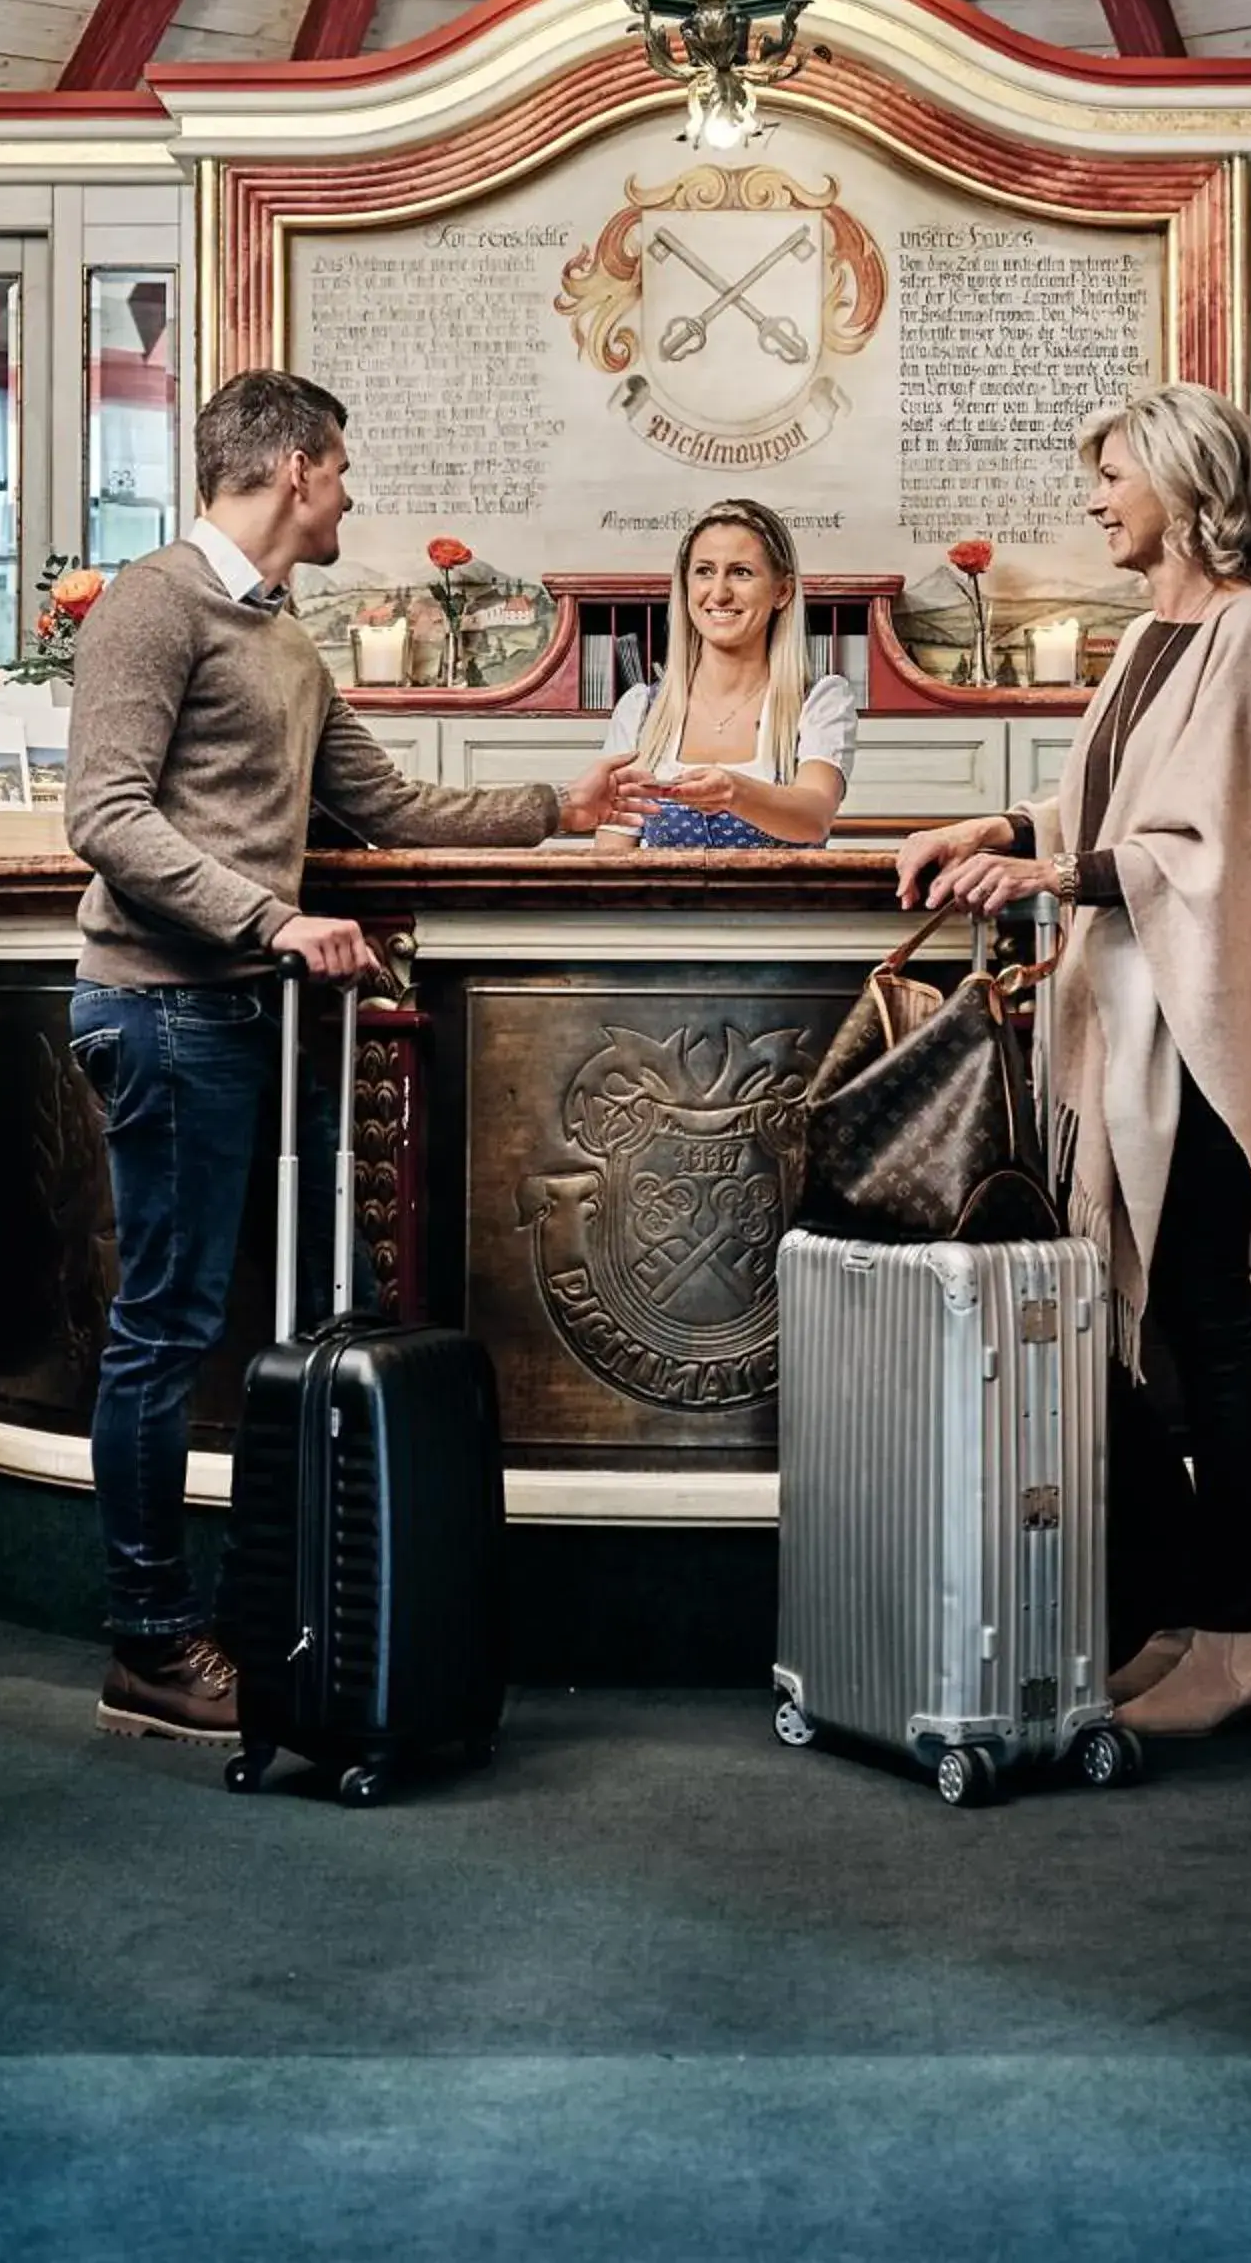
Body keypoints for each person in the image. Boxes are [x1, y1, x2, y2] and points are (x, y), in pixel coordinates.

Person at [64, 368, 632, 1745]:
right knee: (162, 1331)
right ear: (296, 467)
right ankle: (146, 1641)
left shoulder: (286, 641)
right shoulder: (153, 603)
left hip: (243, 1016)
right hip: (160, 1008)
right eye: (341, 471)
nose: (352, 494)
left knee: (306, 1309)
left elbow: (387, 803)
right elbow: (106, 816)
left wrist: (564, 805)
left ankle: (309, 1616)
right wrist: (272, 916)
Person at [896, 382, 1251, 1737]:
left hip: (1202, 1038)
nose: (1094, 499)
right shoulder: (1148, 642)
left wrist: (1047, 870)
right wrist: (988, 827)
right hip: (1134, 1038)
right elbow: (1102, 801)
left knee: (1210, 1334)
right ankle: (1189, 1622)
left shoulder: (1249, 632)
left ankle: (1243, 1641)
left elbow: (1215, 851)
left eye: (1110, 476)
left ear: (1179, 484)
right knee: (1172, 1339)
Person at [604, 498, 857, 847]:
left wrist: (734, 791)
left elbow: (814, 818)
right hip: (663, 904)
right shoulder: (641, 710)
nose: (719, 593)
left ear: (782, 591)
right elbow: (612, 858)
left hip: (782, 903)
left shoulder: (817, 701)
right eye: (705, 571)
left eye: (741, 572)